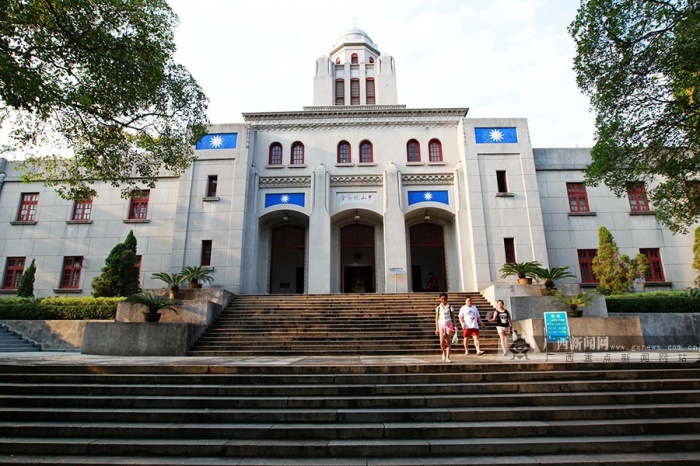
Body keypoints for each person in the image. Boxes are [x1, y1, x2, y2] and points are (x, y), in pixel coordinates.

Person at [434, 292, 455, 362]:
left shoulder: (450, 307)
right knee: (441, 341)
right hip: (441, 324)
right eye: (442, 299)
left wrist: (455, 325)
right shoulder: (438, 308)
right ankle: (444, 352)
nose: (443, 300)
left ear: (447, 299)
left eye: (445, 299)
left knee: (448, 341)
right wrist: (436, 328)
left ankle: (448, 357)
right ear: (440, 299)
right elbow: (437, 318)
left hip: (448, 323)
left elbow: (453, 317)